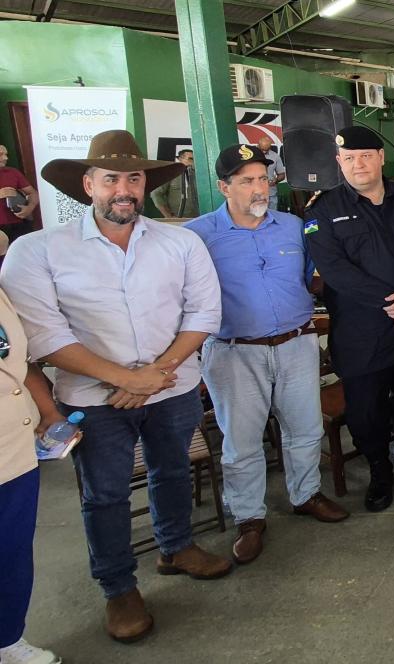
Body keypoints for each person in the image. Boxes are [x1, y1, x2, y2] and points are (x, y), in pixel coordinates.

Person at [0, 129, 231, 643]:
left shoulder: (181, 240)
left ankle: (175, 547)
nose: (123, 189)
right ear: (87, 184)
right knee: (103, 495)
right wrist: (128, 379)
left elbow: (203, 312)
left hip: (171, 387)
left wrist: (154, 376)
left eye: (133, 178)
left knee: (172, 471)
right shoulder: (38, 251)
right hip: (94, 401)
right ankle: (118, 587)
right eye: (110, 179)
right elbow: (42, 337)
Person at [186, 144, 349, 565]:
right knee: (241, 442)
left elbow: (313, 278)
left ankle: (305, 494)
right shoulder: (198, 236)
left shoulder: (294, 226)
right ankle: (249, 517)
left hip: (296, 342)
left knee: (305, 427)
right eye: (247, 181)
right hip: (235, 351)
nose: (259, 189)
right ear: (224, 187)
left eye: (263, 179)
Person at [304, 126, 394, 514]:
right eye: (349, 158)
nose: (358, 164)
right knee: (366, 410)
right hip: (361, 330)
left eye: (366, 155)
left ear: (381, 158)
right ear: (339, 163)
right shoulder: (323, 210)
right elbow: (335, 271)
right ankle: (380, 471)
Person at [0, 290, 65, 664]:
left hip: (14, 447)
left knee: (12, 549)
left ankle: (8, 638)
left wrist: (47, 413)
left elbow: (19, 364)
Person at [0, 144, 38, 243]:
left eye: (6, 154)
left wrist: (29, 207)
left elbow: (32, 193)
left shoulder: (13, 173)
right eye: (1, 154)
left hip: (18, 226)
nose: (5, 158)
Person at [149, 149, 199, 218]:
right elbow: (155, 194)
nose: (192, 162)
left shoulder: (199, 175)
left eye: (194, 159)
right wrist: (169, 216)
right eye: (190, 159)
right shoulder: (171, 174)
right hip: (178, 218)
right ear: (180, 159)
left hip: (199, 217)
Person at [256, 136, 285, 210]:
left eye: (267, 150)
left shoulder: (275, 157)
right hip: (255, 194)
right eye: (262, 149)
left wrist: (275, 181)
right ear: (258, 145)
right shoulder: (251, 155)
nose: (264, 152)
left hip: (271, 193)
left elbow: (282, 175)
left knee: (273, 215)